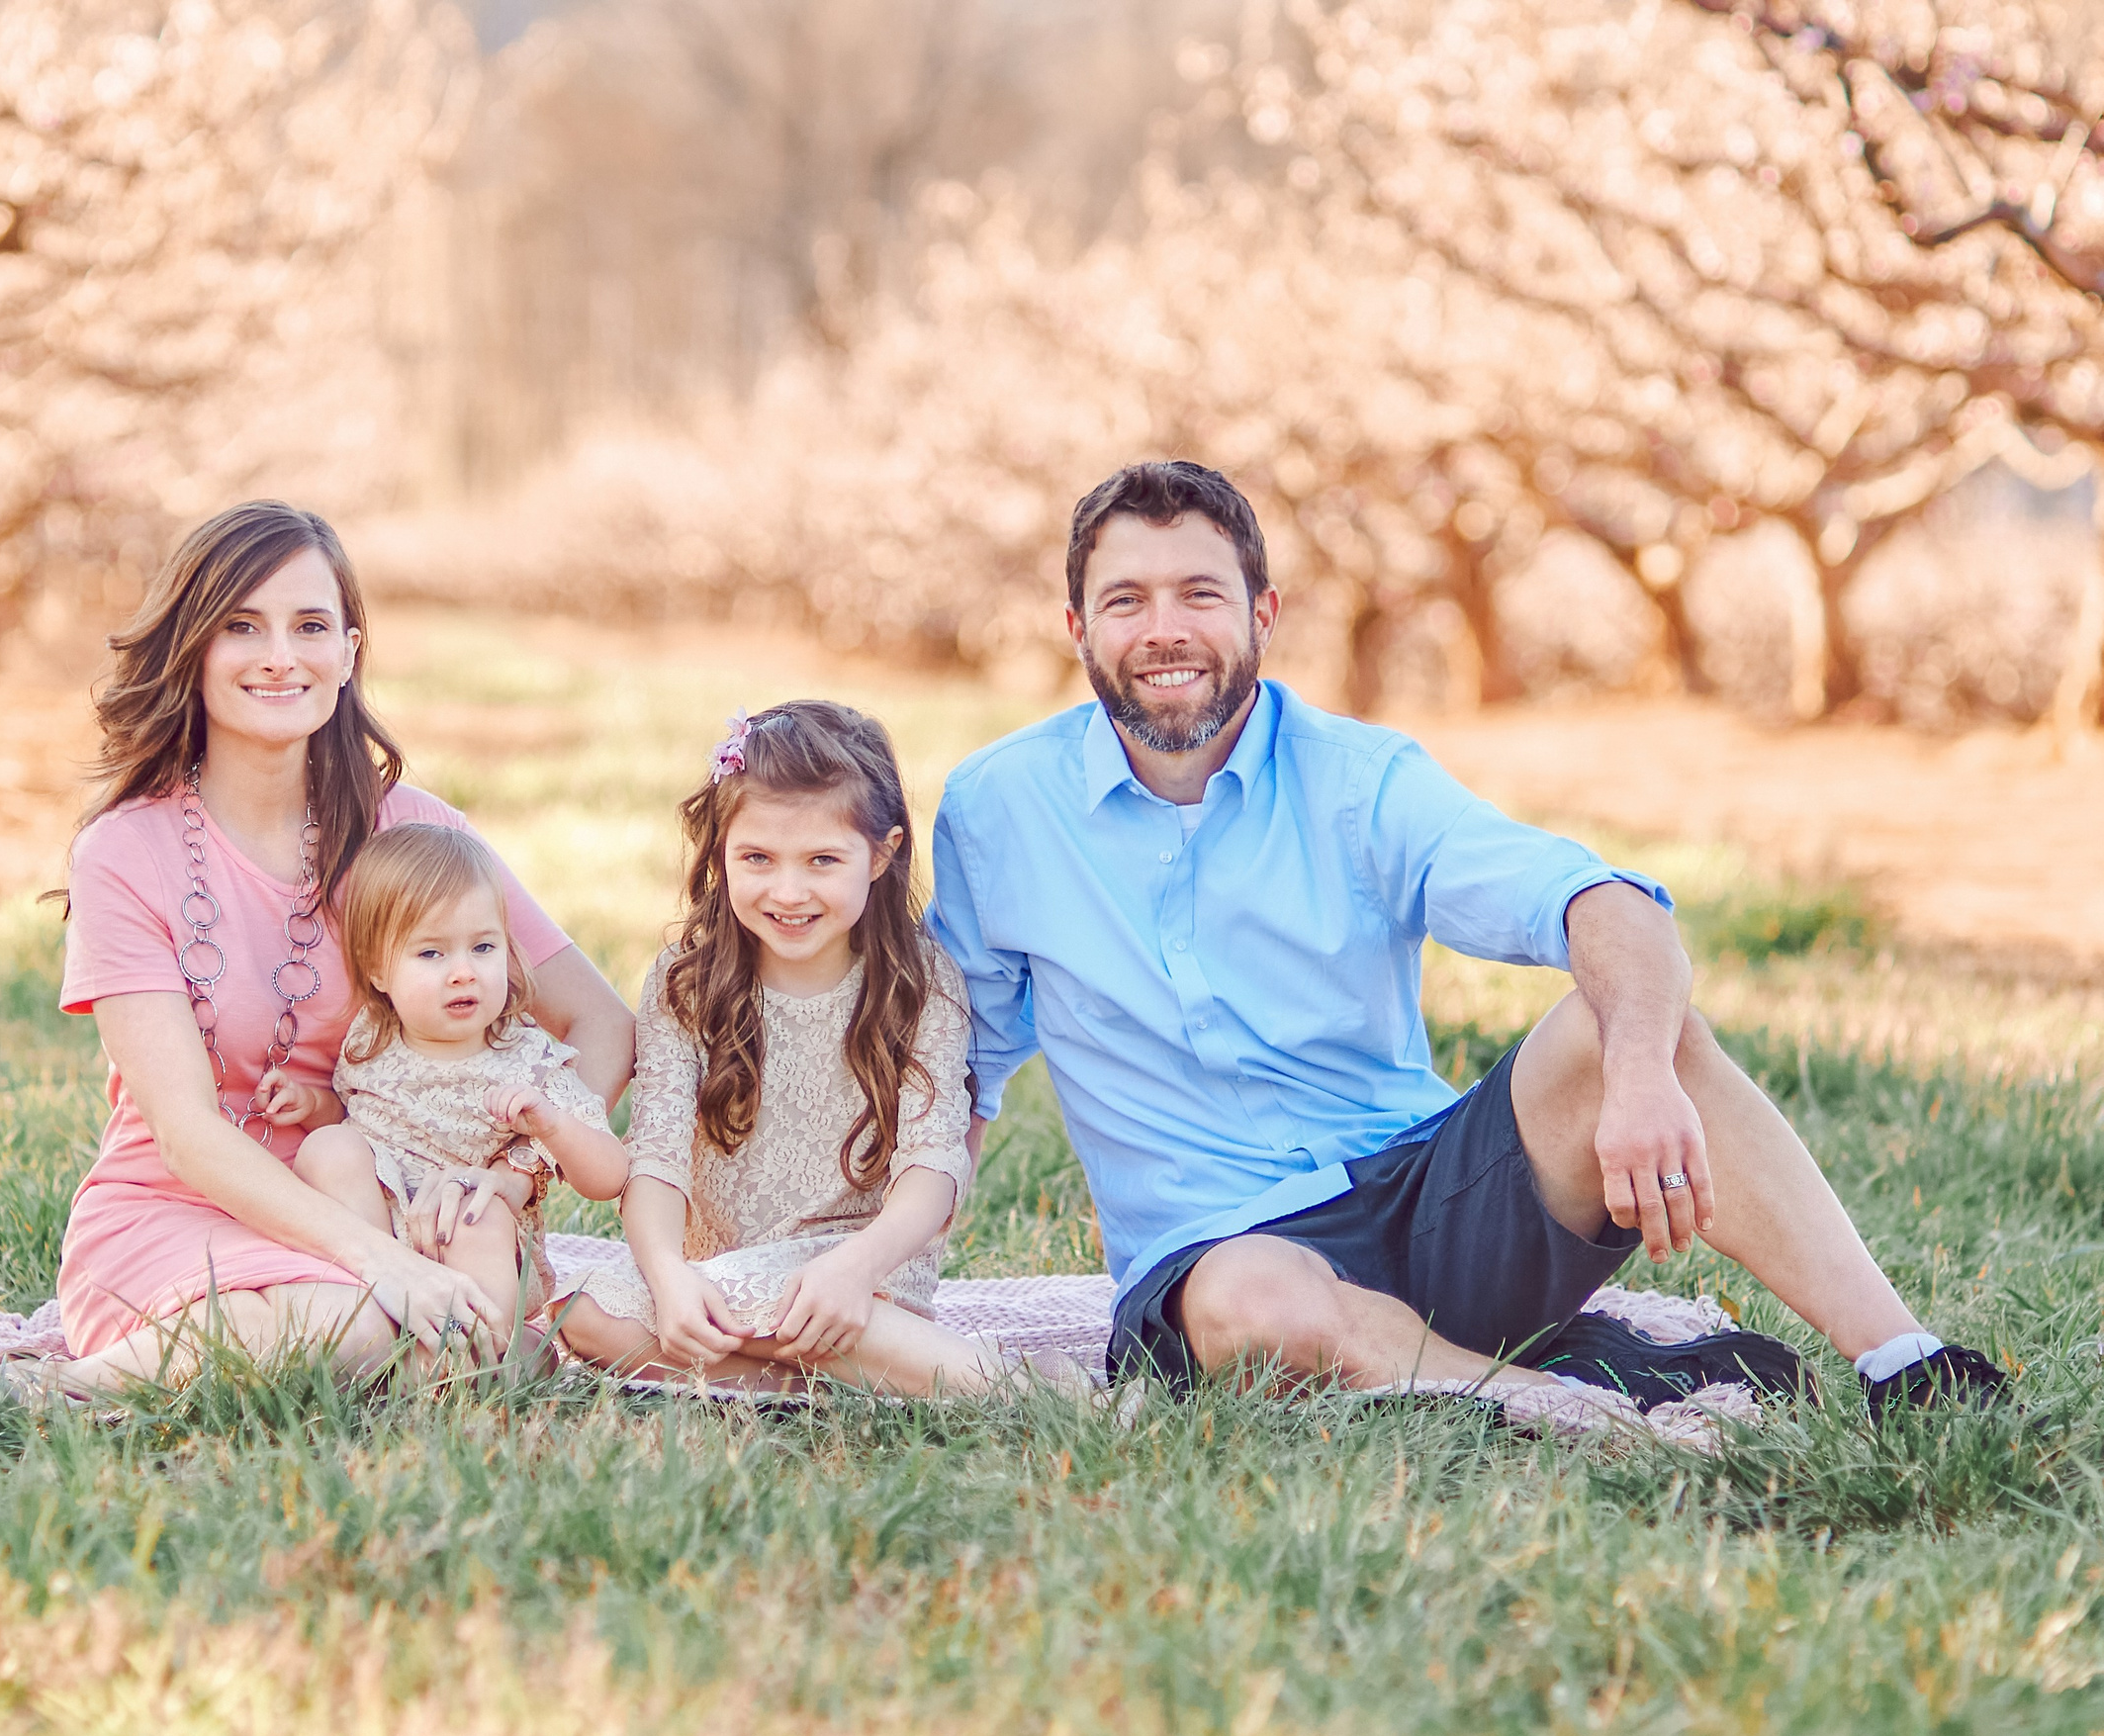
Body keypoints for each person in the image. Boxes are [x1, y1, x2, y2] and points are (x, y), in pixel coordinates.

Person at [927, 459, 2010, 1417]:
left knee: (1630, 1025)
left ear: (1263, 613)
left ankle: (1903, 1365)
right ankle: (1566, 1394)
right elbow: (957, 1069)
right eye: (1126, 599)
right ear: (1077, 627)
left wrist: (1634, 1076)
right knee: (1258, 1309)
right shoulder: (996, 809)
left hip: (1424, 1194)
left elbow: (1600, 903)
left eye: (1199, 594)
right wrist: (873, 1267)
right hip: (1216, 1255)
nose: (1163, 629)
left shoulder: (1361, 780)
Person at [47, 500, 633, 1397]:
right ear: (194, 647)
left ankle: (355, 1337)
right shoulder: (126, 850)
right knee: (363, 1323)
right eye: (243, 625)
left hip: (394, 1203)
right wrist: (379, 1266)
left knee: (412, 1329)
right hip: (178, 1211)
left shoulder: (417, 833)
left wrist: (512, 1176)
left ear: (349, 652)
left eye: (311, 625)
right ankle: (47, 1389)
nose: (282, 655)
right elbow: (183, 1130)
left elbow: (600, 1019)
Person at [553, 700, 1023, 1396]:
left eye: (822, 859)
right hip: (716, 1276)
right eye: (757, 858)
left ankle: (1028, 1384)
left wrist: (857, 1269)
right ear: (721, 853)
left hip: (862, 1274)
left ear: (882, 853)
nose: (788, 890)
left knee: (808, 1302)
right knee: (583, 1311)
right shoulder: (685, 981)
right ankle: (835, 1385)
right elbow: (656, 1158)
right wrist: (667, 1274)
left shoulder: (920, 985)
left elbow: (934, 1167)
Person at [286, 821, 629, 1337]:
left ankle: (483, 1353)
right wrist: (312, 1106)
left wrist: (552, 1126)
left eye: (483, 948)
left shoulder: (528, 1058)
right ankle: (376, 1317)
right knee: (329, 1148)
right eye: (431, 953)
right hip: (384, 1234)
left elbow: (609, 1175)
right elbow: (359, 1115)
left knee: (479, 1216)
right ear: (378, 971)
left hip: (473, 1242)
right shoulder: (370, 1038)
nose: (464, 972)